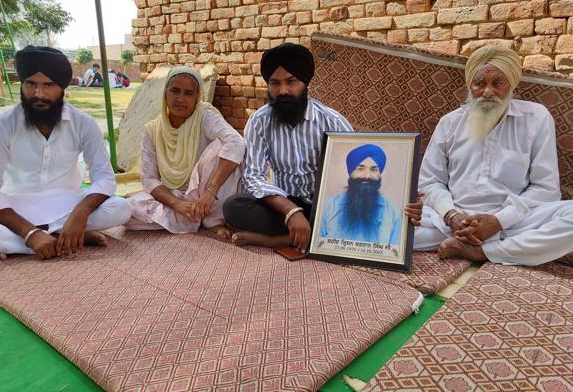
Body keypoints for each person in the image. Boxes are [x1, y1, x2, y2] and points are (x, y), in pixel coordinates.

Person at [223, 43, 422, 252]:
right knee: (234, 207)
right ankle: (310, 235)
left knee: (379, 217)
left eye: (291, 81)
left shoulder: (332, 121)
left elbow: (360, 167)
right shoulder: (259, 121)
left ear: (305, 83)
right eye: (275, 83)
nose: (283, 91)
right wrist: (291, 211)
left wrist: (404, 196)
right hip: (283, 205)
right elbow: (253, 176)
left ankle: (279, 240)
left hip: (325, 207)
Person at [0, 46, 131, 260]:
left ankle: (22, 241)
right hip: (14, 208)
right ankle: (53, 239)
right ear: (22, 85)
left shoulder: (83, 124)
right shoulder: (1, 126)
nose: (39, 94)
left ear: (62, 88)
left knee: (121, 208)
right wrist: (30, 233)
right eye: (31, 84)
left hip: (67, 205)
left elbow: (105, 177)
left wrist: (80, 214)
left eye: (49, 85)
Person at [416, 45, 573, 266]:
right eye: (480, 83)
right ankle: (478, 243)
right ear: (470, 86)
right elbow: (429, 182)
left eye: (497, 83)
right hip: (450, 224)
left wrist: (499, 221)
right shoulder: (450, 122)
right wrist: (452, 216)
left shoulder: (536, 118)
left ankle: (485, 252)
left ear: (511, 84)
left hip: (514, 223)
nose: (488, 92)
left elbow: (546, 189)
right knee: (382, 220)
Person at [125, 66, 245, 237]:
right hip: (176, 196)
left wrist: (210, 193)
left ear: (197, 97)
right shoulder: (152, 130)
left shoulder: (205, 116)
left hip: (208, 193)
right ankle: (193, 216)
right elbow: (149, 178)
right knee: (127, 211)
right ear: (165, 93)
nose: (180, 99)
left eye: (188, 93)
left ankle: (212, 220)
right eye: (175, 91)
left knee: (222, 146)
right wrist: (177, 204)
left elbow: (236, 142)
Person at [319, 144, 401, 244]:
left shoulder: (393, 212)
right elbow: (317, 245)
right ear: (350, 172)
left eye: (374, 169)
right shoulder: (328, 205)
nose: (367, 176)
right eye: (360, 168)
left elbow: (395, 253)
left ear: (380, 174)